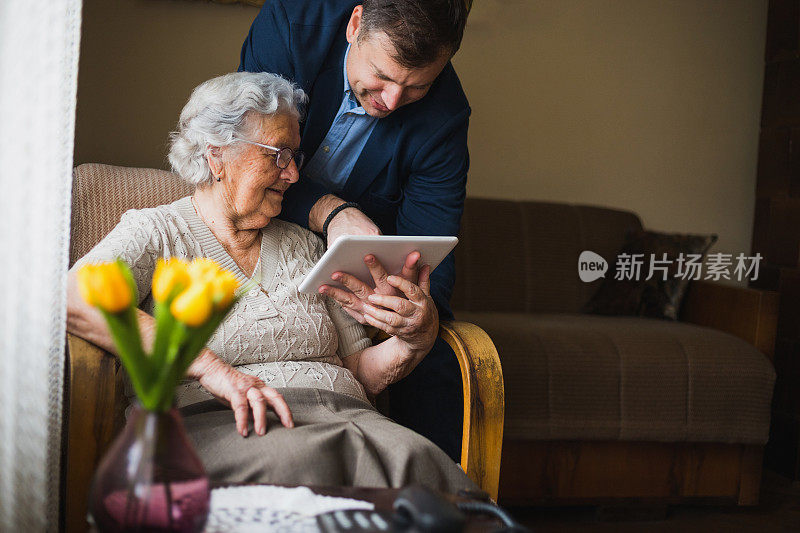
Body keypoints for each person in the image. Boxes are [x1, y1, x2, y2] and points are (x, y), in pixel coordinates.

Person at [66, 72, 475, 492]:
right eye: (279, 154)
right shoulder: (156, 232)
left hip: (350, 421)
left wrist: (415, 340)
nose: (294, 175)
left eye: (295, 156)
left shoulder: (307, 244)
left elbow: (360, 372)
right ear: (216, 156)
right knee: (306, 470)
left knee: (425, 465)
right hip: (225, 425)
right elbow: (75, 297)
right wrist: (211, 369)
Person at [239, 0, 471, 461]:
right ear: (356, 24)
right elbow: (246, 152)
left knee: (438, 361)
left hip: (356, 282)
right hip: (258, 230)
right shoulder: (290, 27)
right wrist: (329, 209)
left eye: (416, 86)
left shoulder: (445, 116)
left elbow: (431, 252)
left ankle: (436, 507)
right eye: (381, 76)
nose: (391, 102)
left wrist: (415, 314)